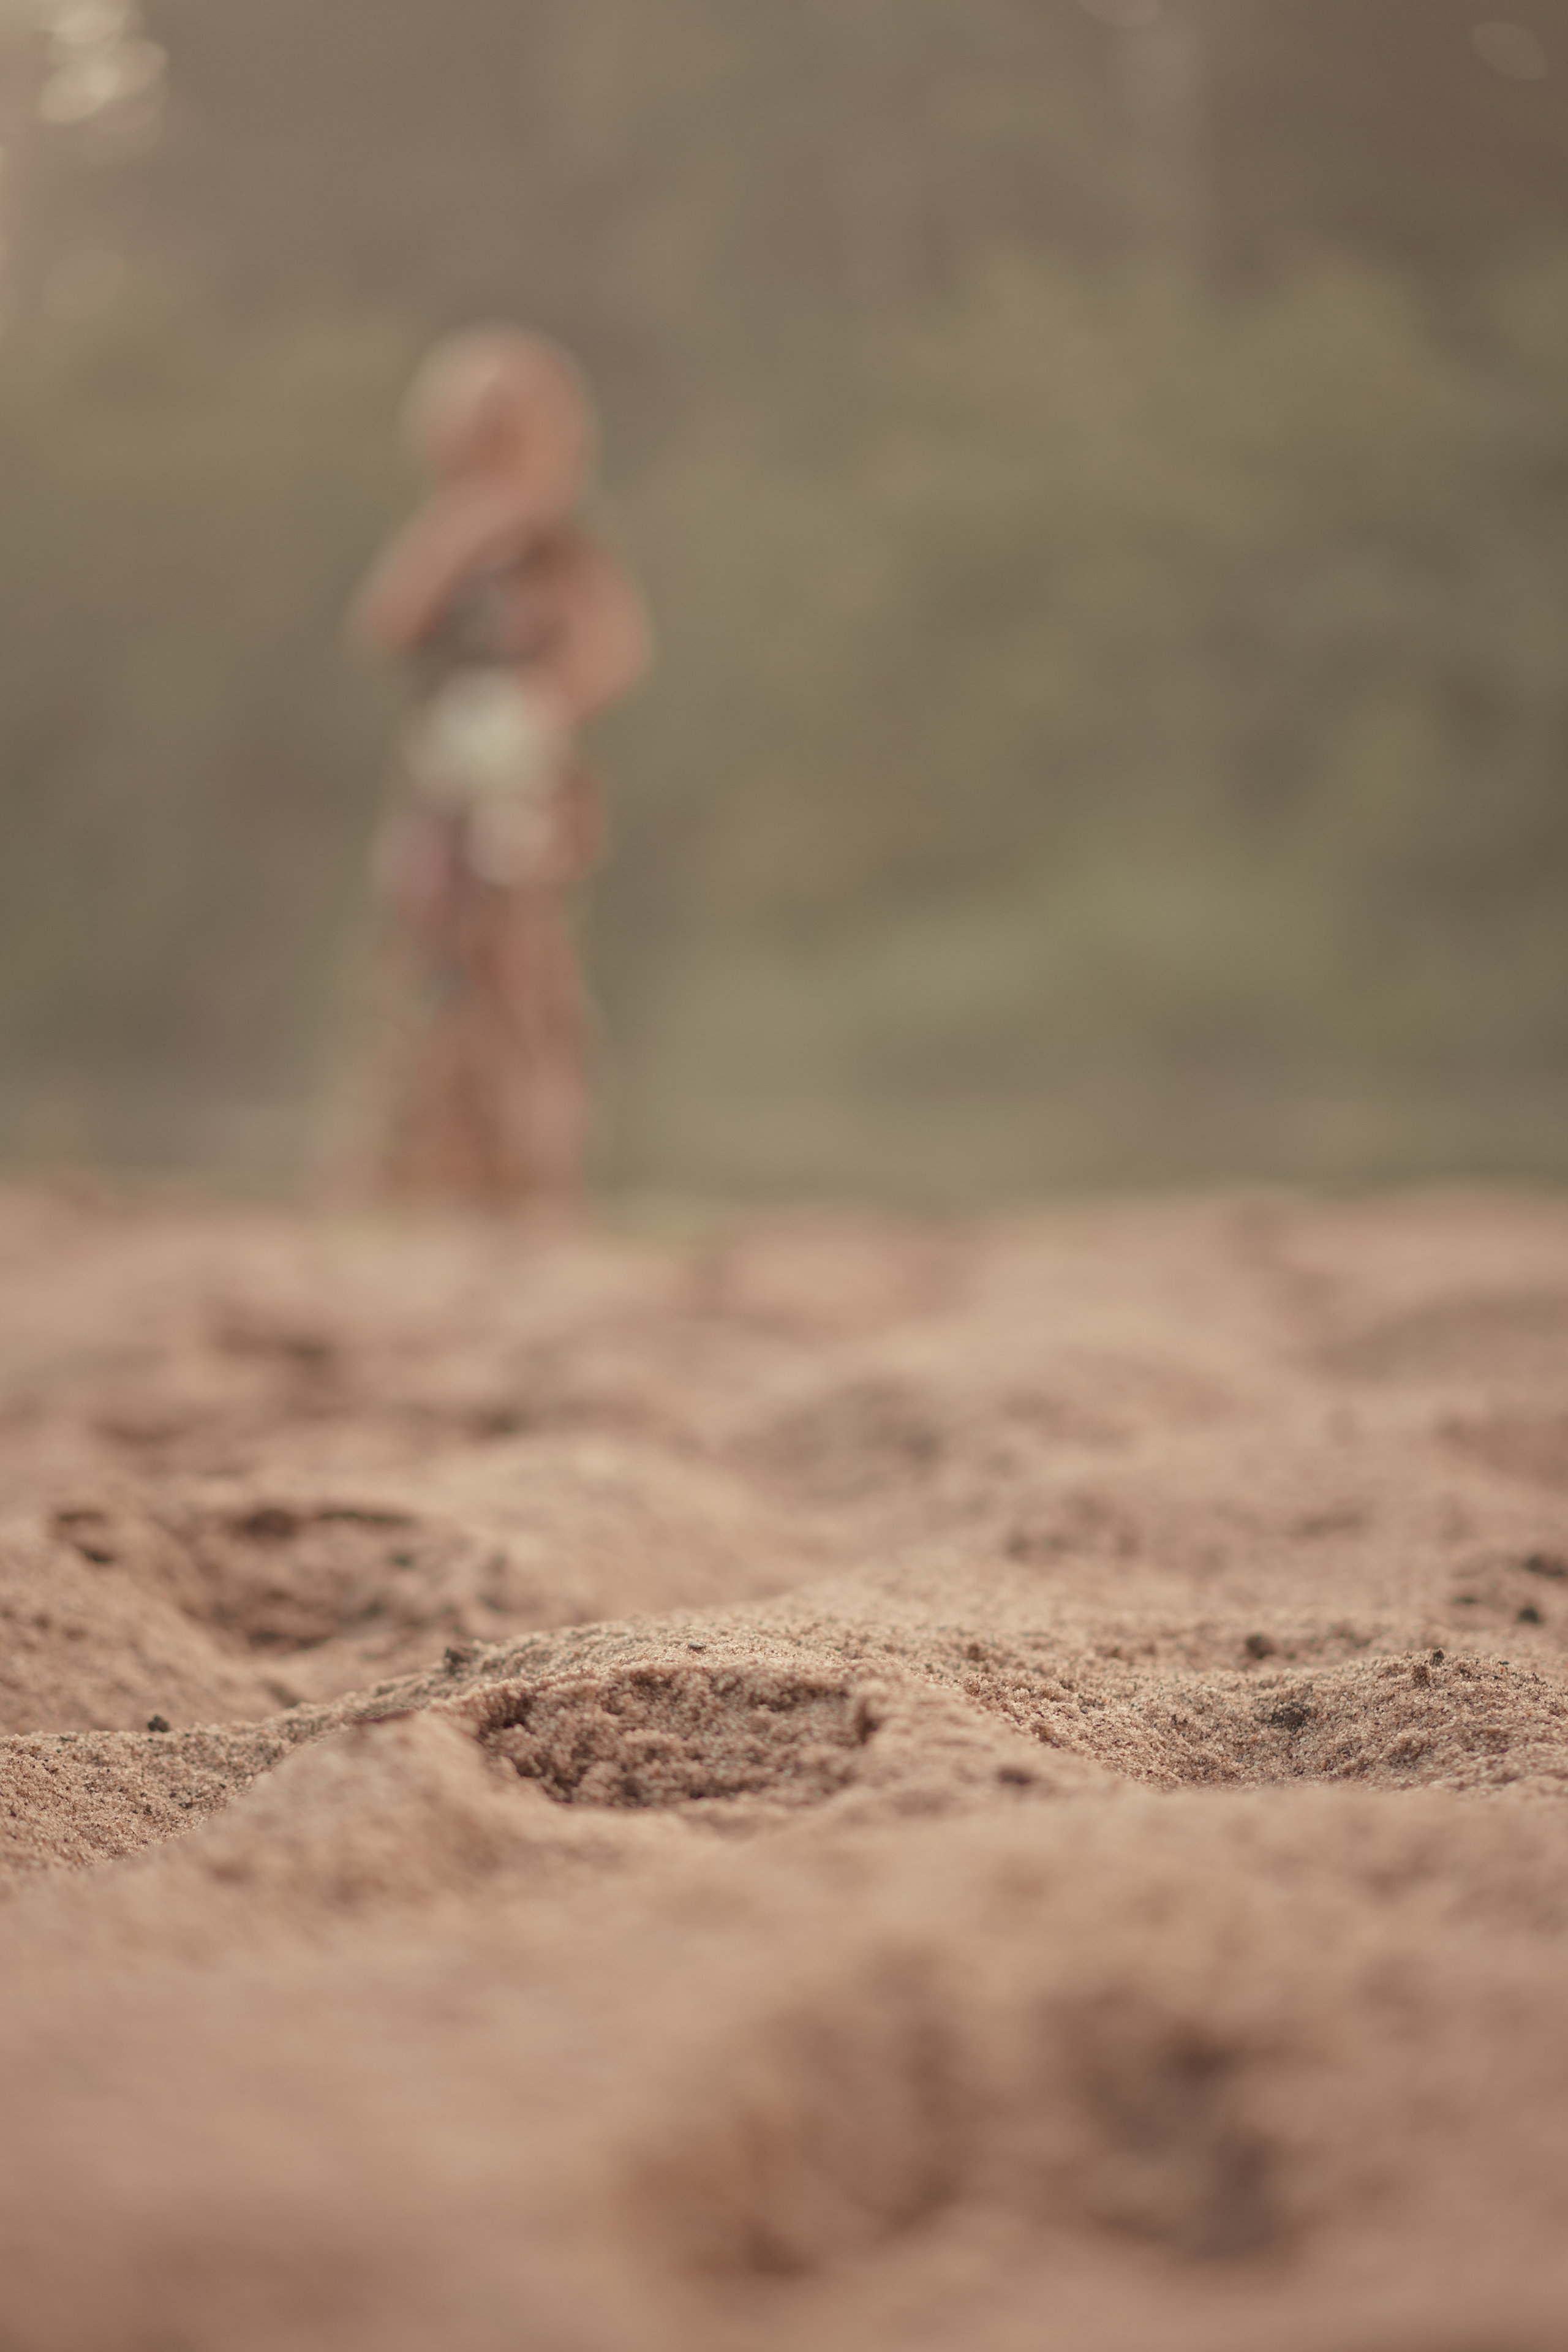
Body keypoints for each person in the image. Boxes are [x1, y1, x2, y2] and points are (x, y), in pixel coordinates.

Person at [349, 325, 650, 1206]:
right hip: (443, 789)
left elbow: (617, 646)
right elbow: (385, 626)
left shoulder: (564, 542)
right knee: (419, 961)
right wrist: (455, 540)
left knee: (524, 966)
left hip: (530, 789)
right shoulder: (444, 530)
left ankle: (539, 1167)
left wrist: (542, 703)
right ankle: (415, 1164)